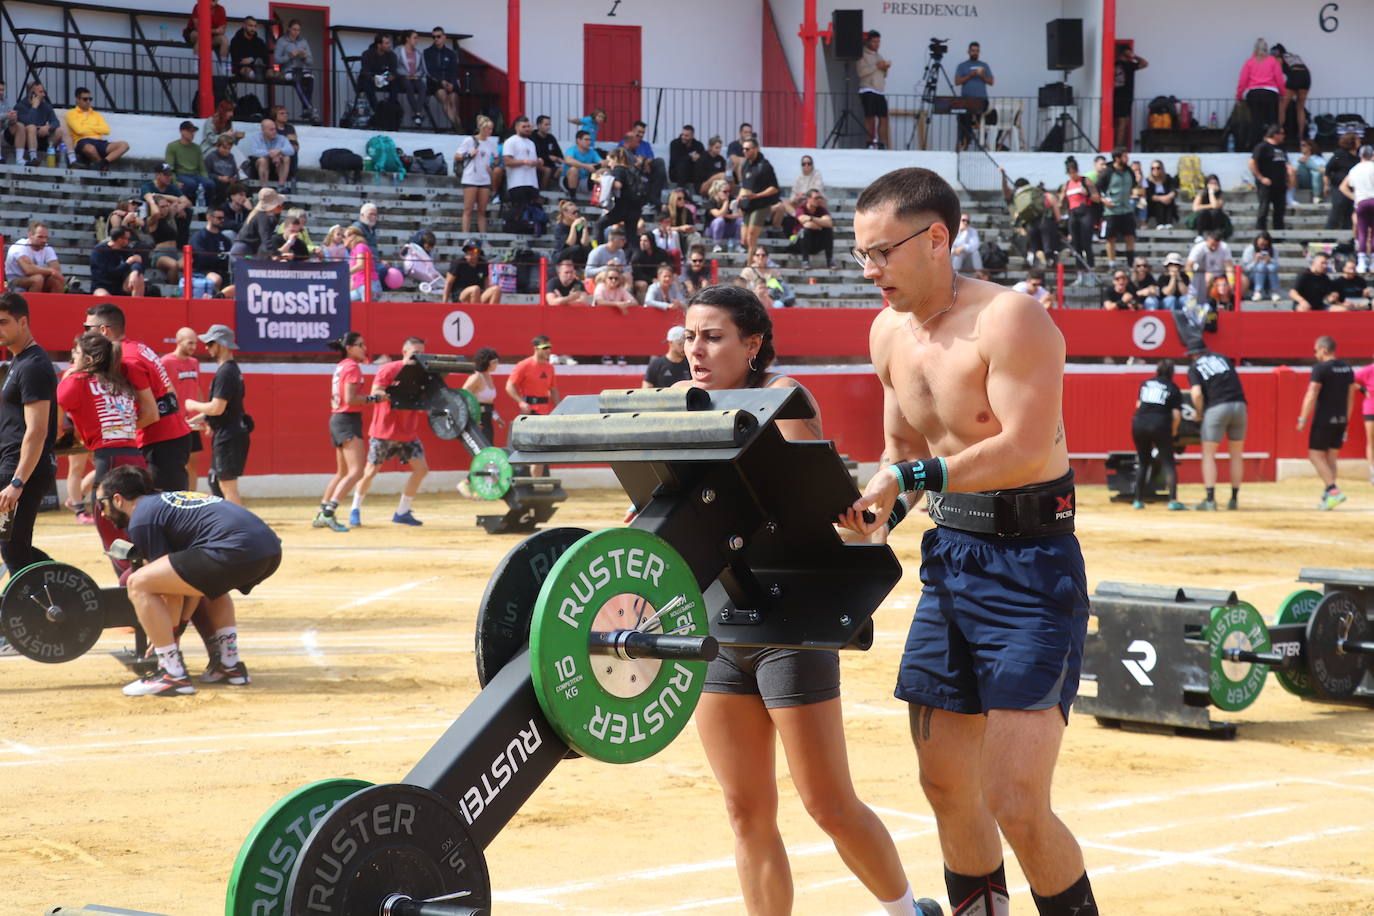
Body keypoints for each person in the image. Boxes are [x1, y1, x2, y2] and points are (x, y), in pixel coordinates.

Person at [840, 167, 1098, 916]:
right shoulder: (886, 333)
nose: (870, 271)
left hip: (1033, 566)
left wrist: (912, 474)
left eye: (882, 252)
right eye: (861, 255)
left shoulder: (1009, 318)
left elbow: (1020, 447)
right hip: (950, 561)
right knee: (947, 787)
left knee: (1016, 800)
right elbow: (897, 454)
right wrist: (870, 511)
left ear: (938, 239)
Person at [675, 284, 928, 916]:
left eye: (712, 336)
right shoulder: (682, 404)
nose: (695, 350)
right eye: (689, 335)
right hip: (717, 618)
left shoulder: (784, 396)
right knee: (744, 809)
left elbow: (818, 508)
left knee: (827, 802)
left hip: (788, 618)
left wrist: (856, 513)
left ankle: (905, 912)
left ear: (752, 343)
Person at [98, 464, 279, 696]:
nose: (102, 513)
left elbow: (171, 591)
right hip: (268, 549)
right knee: (214, 585)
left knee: (138, 582)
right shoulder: (166, 503)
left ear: (117, 499)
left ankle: (171, 674)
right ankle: (229, 664)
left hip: (235, 548)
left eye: (101, 504)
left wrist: (171, 637)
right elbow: (190, 586)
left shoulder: (142, 518)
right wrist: (178, 627)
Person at [85, 303, 193, 490]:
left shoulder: (128, 360)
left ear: (103, 330)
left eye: (88, 328)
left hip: (160, 444)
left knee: (163, 511)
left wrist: (114, 437)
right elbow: (170, 393)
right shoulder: (138, 348)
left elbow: (151, 414)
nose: (85, 335)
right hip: (170, 437)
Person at [56, 331, 145, 553]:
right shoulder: (122, 383)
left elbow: (53, 419)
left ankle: (128, 579)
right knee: (138, 524)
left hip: (110, 459)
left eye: (75, 354)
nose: (72, 360)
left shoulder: (77, 380)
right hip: (136, 457)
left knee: (110, 528)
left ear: (86, 358)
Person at [0, 291, 58, 576]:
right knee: (12, 545)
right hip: (12, 467)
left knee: (12, 546)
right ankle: (56, 588)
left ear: (23, 322)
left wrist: (17, 480)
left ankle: (51, 599)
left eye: (3, 322)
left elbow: (37, 431)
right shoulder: (19, 361)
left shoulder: (33, 366)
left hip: (22, 471)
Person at [349, 337, 428, 527]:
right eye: (414, 353)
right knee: (370, 472)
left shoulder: (423, 372)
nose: (418, 357)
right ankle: (355, 508)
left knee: (421, 469)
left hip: (408, 431)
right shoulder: (389, 369)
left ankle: (402, 511)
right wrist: (393, 393)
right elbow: (377, 390)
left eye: (421, 353)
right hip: (384, 430)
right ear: (404, 352)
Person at [182, 325, 248, 505]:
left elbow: (217, 408)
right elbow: (222, 409)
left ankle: (237, 529)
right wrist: (192, 421)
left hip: (228, 435)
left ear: (222, 345)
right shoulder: (229, 370)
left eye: (210, 343)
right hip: (228, 432)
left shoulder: (226, 371)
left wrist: (192, 404)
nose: (206, 347)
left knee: (227, 485)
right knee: (216, 481)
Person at [314, 332, 373, 531]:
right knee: (356, 471)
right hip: (348, 419)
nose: (364, 348)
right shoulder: (352, 367)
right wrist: (374, 399)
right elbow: (351, 398)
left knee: (342, 472)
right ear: (349, 348)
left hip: (338, 418)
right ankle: (328, 512)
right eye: (360, 344)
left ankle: (322, 511)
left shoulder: (341, 366)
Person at [1298, 335, 1355, 510]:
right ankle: (1328, 495)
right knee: (1331, 457)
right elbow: (1351, 397)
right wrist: (1346, 419)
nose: (1315, 354)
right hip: (1341, 418)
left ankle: (1333, 490)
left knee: (1315, 455)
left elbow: (1312, 393)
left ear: (1324, 350)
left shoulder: (1320, 369)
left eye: (1315, 351)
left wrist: (1302, 418)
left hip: (1324, 417)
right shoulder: (1347, 369)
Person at [1188, 346, 1247, 511]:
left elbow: (1197, 394)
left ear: (1192, 354)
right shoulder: (1223, 357)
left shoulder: (1194, 367)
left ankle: (1210, 499)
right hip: (1240, 405)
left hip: (1216, 407)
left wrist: (1199, 413)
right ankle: (1234, 499)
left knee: (1209, 454)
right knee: (1236, 454)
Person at [1129, 359, 1185, 510]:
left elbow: (1138, 405)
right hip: (1160, 424)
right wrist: (1173, 433)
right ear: (1171, 373)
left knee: (1143, 462)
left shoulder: (1146, 383)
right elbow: (1176, 415)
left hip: (1139, 424)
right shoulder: (1173, 388)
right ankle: (1173, 501)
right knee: (1168, 463)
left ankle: (1138, 500)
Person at [161, 328, 205, 491]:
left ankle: (192, 500)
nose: (194, 347)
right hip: (173, 423)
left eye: (195, 343)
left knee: (193, 464)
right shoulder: (165, 362)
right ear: (178, 342)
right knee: (174, 464)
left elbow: (198, 388)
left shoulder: (194, 362)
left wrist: (203, 414)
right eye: (190, 343)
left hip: (193, 423)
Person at [1236, 38, 1285, 151]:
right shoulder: (1272, 61)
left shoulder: (1249, 62)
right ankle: (1274, 146)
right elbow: (1279, 79)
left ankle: (1256, 147)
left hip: (1254, 94)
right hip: (1271, 93)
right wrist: (1282, 94)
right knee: (1272, 122)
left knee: (1256, 122)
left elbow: (1243, 80)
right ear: (1266, 49)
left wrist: (1239, 95)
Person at [66, 87, 128, 171]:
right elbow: (79, 130)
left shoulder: (96, 115)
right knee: (90, 149)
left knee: (124, 145)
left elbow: (106, 130)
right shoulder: (71, 114)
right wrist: (97, 128)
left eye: (90, 99)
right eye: (85, 99)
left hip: (100, 142)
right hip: (83, 141)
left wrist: (86, 126)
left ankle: (103, 163)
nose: (88, 101)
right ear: (77, 99)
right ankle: (104, 168)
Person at [456, 116, 499, 236]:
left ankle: (483, 237)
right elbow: (457, 156)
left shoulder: (491, 144)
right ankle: (465, 236)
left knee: (482, 211)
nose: (490, 131)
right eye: (488, 129)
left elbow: (496, 158)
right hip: (470, 177)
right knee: (468, 209)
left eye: (491, 129)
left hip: (484, 178)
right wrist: (469, 154)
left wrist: (492, 165)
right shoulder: (469, 140)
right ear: (482, 128)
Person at [13, 81, 73, 167]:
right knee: (31, 127)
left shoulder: (46, 106)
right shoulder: (20, 106)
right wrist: (34, 107)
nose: (44, 94)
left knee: (61, 130)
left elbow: (56, 122)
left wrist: (48, 127)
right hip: (27, 141)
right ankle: (33, 158)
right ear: (32, 94)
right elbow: (26, 122)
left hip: (43, 139)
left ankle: (72, 160)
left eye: (43, 92)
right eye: (40, 92)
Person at [737, 139, 780, 259]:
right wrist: (738, 201)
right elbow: (744, 186)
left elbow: (774, 188)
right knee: (745, 240)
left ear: (756, 149)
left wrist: (756, 196)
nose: (744, 151)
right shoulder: (745, 164)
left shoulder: (765, 166)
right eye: (743, 149)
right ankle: (760, 258)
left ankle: (750, 267)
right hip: (747, 206)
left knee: (751, 237)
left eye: (748, 149)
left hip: (761, 205)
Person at [1058, 157, 1098, 281]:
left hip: (1085, 213)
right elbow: (1062, 205)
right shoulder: (1067, 184)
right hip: (1073, 215)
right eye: (1070, 172)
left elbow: (1097, 198)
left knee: (1087, 244)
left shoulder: (1086, 181)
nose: (1073, 174)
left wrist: (1087, 193)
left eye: (1074, 171)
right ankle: (1080, 275)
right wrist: (1062, 196)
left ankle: (1091, 273)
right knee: (1076, 246)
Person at [1096, 148, 1136, 267]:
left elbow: (1134, 184)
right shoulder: (1108, 172)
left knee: (1130, 237)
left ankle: (1130, 263)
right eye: (1124, 156)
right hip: (1111, 211)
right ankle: (1112, 263)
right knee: (1111, 238)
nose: (1127, 159)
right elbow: (1097, 188)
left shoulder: (1129, 171)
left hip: (1126, 209)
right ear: (1117, 158)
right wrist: (1104, 200)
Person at [1339, 145, 1374, 274]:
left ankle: (1362, 262)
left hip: (1361, 202)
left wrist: (1355, 197)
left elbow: (1343, 187)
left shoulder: (1354, 169)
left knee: (1362, 232)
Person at [4, 221, 64, 294]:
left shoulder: (47, 248)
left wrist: (52, 272)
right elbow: (29, 270)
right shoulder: (19, 247)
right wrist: (51, 271)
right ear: (30, 235)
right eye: (40, 237)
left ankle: (55, 304)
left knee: (55, 279)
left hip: (36, 278)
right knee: (38, 279)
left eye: (46, 237)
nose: (44, 240)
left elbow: (56, 269)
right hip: (14, 281)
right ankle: (32, 304)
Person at [275, 19, 317, 122]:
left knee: (310, 78)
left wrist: (304, 56)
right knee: (296, 79)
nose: (296, 32)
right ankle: (308, 107)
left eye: (298, 30)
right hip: (288, 70)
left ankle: (306, 108)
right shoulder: (282, 41)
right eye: (294, 29)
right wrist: (290, 56)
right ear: (288, 29)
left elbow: (310, 61)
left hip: (302, 69)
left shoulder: (303, 41)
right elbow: (276, 59)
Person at [953, 42, 993, 148]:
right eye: (973, 50)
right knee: (962, 114)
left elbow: (991, 82)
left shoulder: (984, 66)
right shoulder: (962, 66)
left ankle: (968, 139)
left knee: (967, 115)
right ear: (968, 51)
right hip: (966, 100)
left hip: (981, 101)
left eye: (977, 51)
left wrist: (982, 76)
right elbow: (957, 81)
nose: (975, 53)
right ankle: (967, 139)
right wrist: (970, 75)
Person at [1249, 125, 1289, 231]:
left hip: (1280, 183)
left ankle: (1279, 234)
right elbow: (1252, 162)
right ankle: (1260, 232)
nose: (1283, 136)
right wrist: (1261, 178)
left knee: (1280, 210)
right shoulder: (1262, 147)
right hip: (1266, 184)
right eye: (1282, 134)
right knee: (1264, 208)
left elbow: (1284, 164)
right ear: (1275, 135)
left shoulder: (1282, 148)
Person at [857, 30, 892, 149]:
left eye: (878, 41)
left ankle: (881, 143)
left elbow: (883, 75)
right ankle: (868, 142)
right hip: (867, 89)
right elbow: (861, 73)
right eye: (874, 41)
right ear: (868, 41)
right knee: (870, 117)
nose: (877, 44)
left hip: (879, 90)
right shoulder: (861, 55)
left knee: (884, 118)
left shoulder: (879, 55)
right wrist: (877, 66)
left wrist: (885, 68)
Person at [1271, 43, 1311, 140]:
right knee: (1300, 107)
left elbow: (1278, 73)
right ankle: (1301, 135)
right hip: (1306, 77)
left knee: (1282, 106)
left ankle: (1279, 131)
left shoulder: (1280, 58)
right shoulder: (1293, 55)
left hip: (1294, 76)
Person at [89, 227, 146, 297]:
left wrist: (135, 271)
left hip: (121, 284)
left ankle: (136, 306)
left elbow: (136, 263)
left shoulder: (127, 250)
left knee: (138, 276)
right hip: (103, 285)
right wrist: (127, 263)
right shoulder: (99, 251)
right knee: (104, 295)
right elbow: (109, 273)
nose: (128, 241)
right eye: (127, 239)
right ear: (120, 239)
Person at [462, 347, 502, 444]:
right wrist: (474, 418)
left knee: (488, 447)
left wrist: (497, 417)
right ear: (486, 362)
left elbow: (489, 404)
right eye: (494, 362)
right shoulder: (476, 377)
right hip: (477, 420)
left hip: (487, 419)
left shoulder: (488, 377)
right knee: (481, 450)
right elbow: (463, 395)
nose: (497, 364)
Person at [424, 27, 462, 128]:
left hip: (450, 83)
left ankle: (457, 126)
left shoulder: (451, 53)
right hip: (435, 83)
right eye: (434, 37)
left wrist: (452, 84)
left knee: (453, 99)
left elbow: (454, 71)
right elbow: (430, 71)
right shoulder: (427, 52)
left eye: (438, 36)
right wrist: (442, 82)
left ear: (444, 37)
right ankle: (458, 127)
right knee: (445, 98)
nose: (436, 39)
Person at [444, 239, 502, 303]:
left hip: (479, 295)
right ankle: (475, 312)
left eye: (474, 250)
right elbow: (448, 283)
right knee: (475, 289)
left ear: (479, 252)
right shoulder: (458, 263)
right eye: (468, 249)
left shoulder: (483, 264)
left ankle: (490, 312)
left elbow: (486, 284)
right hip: (461, 296)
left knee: (496, 289)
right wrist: (445, 302)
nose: (471, 251)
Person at [1113, 44, 1147, 149]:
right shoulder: (1128, 65)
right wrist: (1134, 56)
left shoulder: (1114, 63)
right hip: (1124, 96)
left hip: (1117, 96)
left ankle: (1118, 145)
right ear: (1126, 52)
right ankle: (1118, 146)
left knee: (1122, 122)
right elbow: (1145, 63)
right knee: (1123, 122)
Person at [393, 30, 428, 128]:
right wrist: (405, 75)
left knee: (422, 87)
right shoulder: (398, 50)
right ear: (407, 39)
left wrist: (417, 75)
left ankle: (417, 113)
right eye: (415, 37)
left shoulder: (418, 52)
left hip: (415, 77)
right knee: (409, 86)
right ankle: (418, 113)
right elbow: (394, 66)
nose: (417, 40)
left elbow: (422, 68)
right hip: (402, 78)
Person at [1186, 232, 1233, 304]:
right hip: (1202, 274)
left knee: (1241, 280)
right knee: (1207, 278)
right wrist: (1191, 277)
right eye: (1212, 244)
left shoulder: (1224, 247)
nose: (1214, 247)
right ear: (1208, 240)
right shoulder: (1199, 248)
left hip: (1220, 274)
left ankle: (1229, 304)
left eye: (1216, 245)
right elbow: (1189, 265)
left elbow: (1229, 266)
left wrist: (1231, 282)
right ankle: (1203, 302)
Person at [1326, 133, 1360, 232]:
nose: (1359, 141)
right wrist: (1326, 185)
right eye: (1357, 139)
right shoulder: (1339, 154)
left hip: (1353, 188)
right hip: (1339, 187)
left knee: (1349, 214)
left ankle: (1347, 239)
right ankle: (1328, 237)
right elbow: (1328, 169)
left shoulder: (1357, 156)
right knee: (1336, 212)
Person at [358, 32, 399, 113]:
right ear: (379, 45)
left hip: (385, 78)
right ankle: (377, 112)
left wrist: (391, 76)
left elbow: (394, 70)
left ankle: (390, 110)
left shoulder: (392, 55)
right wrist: (374, 78)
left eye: (389, 43)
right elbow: (365, 71)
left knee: (396, 83)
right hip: (371, 79)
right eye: (386, 43)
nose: (389, 45)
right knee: (367, 84)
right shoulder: (367, 54)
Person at [795, 189, 836, 269]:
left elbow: (829, 223)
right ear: (808, 199)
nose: (819, 200)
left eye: (820, 198)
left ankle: (830, 261)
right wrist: (821, 224)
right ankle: (805, 261)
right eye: (816, 198)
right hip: (800, 244)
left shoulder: (821, 209)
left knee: (828, 230)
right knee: (805, 231)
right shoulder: (801, 209)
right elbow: (806, 223)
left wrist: (811, 218)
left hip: (815, 243)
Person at [630, 231, 673, 301]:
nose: (642, 243)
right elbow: (637, 273)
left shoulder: (661, 252)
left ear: (651, 241)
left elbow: (669, 266)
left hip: (659, 277)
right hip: (642, 279)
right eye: (641, 241)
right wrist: (651, 280)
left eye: (645, 241)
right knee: (642, 285)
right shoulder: (637, 254)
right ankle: (644, 307)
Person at [228, 16, 270, 83]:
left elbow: (265, 56)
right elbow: (235, 59)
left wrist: (251, 59)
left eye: (255, 26)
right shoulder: (235, 40)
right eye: (250, 26)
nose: (253, 28)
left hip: (258, 66)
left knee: (271, 72)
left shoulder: (259, 41)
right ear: (244, 26)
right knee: (247, 70)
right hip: (241, 68)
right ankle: (257, 76)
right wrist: (243, 61)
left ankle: (288, 76)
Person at [1190, 174, 1232, 239]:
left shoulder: (1221, 194)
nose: (1213, 185)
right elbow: (1195, 208)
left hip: (1215, 220)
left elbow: (1216, 206)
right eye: (1211, 183)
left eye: (1215, 183)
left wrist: (1211, 193)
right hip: (1203, 219)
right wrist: (1210, 206)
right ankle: (1200, 235)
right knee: (1203, 212)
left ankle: (1216, 236)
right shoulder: (1202, 193)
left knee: (1216, 212)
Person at [1241, 232, 1280, 302]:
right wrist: (1255, 261)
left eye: (1265, 245)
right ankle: (1258, 292)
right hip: (1252, 277)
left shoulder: (1273, 250)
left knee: (1272, 267)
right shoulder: (1250, 249)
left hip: (1268, 276)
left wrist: (1269, 260)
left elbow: (1277, 266)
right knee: (1260, 267)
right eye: (1261, 244)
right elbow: (1245, 269)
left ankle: (1274, 292)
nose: (1263, 247)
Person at [562, 129, 602, 196]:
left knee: (601, 171)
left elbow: (602, 162)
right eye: (586, 140)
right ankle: (572, 197)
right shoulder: (572, 150)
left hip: (584, 182)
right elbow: (568, 160)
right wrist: (587, 166)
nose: (589, 142)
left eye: (590, 140)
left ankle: (597, 196)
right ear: (578, 140)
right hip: (568, 181)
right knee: (573, 169)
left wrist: (596, 166)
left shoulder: (592, 152)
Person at [668, 124, 707, 189]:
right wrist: (690, 157)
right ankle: (681, 190)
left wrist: (699, 158)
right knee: (682, 164)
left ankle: (699, 192)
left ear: (692, 136)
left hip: (692, 173)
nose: (683, 137)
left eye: (686, 136)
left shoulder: (698, 145)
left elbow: (704, 159)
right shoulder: (675, 143)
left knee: (700, 165)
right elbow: (675, 160)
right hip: (677, 173)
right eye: (682, 134)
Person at [1143, 160, 1178, 228]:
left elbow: (1173, 190)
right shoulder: (1148, 181)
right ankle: (1160, 223)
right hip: (1153, 204)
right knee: (1159, 203)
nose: (1155, 170)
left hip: (1168, 201)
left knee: (1169, 201)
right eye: (1153, 168)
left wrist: (1167, 197)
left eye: (1158, 168)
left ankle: (1169, 223)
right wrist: (1162, 198)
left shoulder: (1167, 178)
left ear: (1162, 168)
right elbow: (1149, 195)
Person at [1357, 355, 1374, 485]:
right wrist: (1362, 389)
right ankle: (1373, 472)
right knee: (1371, 441)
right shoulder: (1368, 370)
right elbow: (1348, 380)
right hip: (1371, 409)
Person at [1294, 138, 1328, 204]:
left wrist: (1326, 185)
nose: (1301, 147)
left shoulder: (1318, 158)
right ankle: (1316, 197)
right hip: (1301, 180)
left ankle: (1316, 197)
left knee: (1316, 173)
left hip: (1316, 182)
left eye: (1303, 145)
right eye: (1300, 145)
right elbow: (1294, 171)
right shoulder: (1298, 158)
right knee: (1304, 164)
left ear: (1310, 147)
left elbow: (1326, 172)